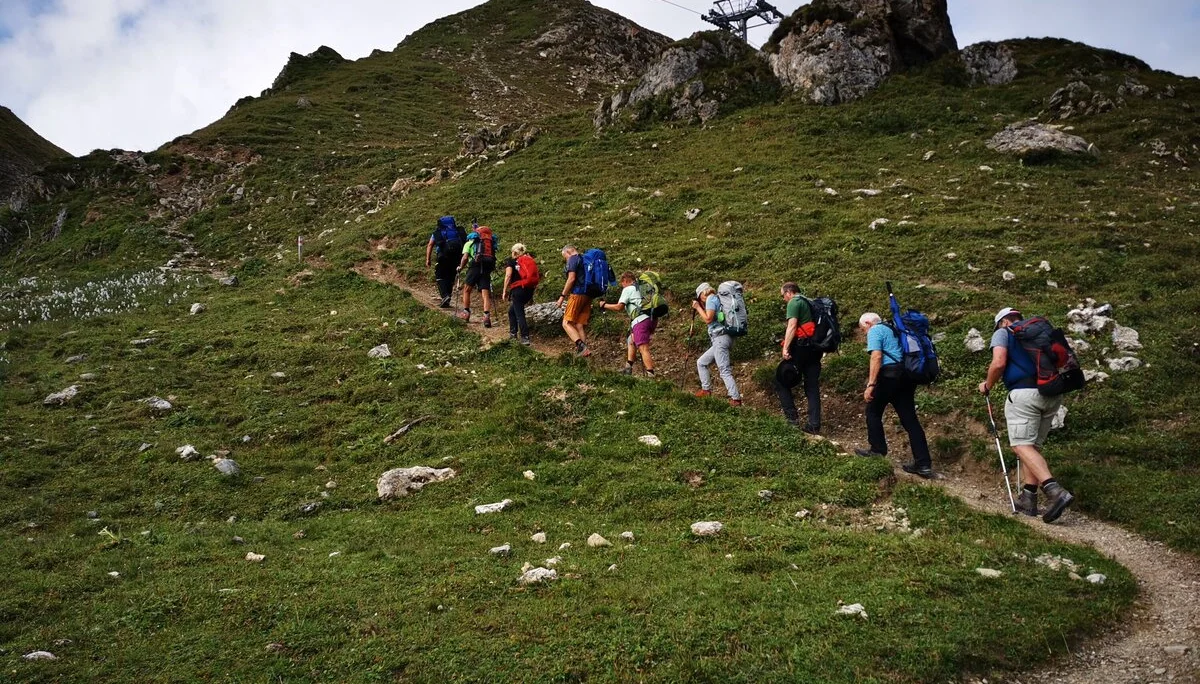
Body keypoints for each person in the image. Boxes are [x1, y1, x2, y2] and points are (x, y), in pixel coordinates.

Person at [979, 307, 1075, 523]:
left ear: (1003, 321)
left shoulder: (1004, 332)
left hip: (1024, 394)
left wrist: (987, 384)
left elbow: (999, 362)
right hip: (1051, 394)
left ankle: (1055, 491)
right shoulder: (1037, 334)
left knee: (1020, 445)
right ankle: (1028, 498)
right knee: (1031, 446)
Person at [857, 312, 934, 479]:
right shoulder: (895, 329)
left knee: (873, 411)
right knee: (910, 420)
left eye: (863, 329)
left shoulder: (876, 330)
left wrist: (871, 384)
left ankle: (877, 450)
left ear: (869, 323)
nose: (865, 333)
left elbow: (876, 357)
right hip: (907, 377)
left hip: (889, 376)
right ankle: (923, 464)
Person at [775, 282, 822, 434]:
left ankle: (792, 419)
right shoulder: (808, 301)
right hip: (815, 348)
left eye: (783, 296)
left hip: (801, 347)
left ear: (789, 292)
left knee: (781, 380)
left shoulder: (794, 302)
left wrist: (785, 347)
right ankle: (814, 424)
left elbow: (792, 326)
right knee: (812, 386)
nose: (784, 299)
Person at [692, 282, 742, 407]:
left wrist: (698, 308)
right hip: (725, 338)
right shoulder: (718, 299)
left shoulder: (710, 298)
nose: (701, 301)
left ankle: (736, 399)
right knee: (701, 362)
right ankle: (706, 390)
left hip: (720, 338)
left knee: (724, 370)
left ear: (703, 293)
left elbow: (708, 319)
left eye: (700, 298)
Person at [600, 272, 656, 377]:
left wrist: (605, 305)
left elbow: (619, 307)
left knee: (643, 348)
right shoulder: (642, 288)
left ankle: (651, 375)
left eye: (622, 284)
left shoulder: (628, 289)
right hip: (652, 319)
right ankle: (628, 368)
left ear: (625, 281)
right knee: (631, 340)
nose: (622, 286)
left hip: (640, 320)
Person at [554, 245, 592, 357]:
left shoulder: (573, 259)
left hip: (577, 293)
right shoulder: (585, 259)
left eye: (565, 256)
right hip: (588, 295)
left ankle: (581, 347)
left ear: (569, 251)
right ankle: (585, 354)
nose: (566, 259)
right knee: (579, 324)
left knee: (566, 323)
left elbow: (571, 278)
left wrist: (562, 296)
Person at [457, 225, 497, 327]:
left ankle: (466, 313)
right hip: (486, 268)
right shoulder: (490, 244)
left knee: (467, 290)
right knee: (485, 292)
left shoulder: (470, 243)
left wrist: (460, 267)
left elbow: (465, 257)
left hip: (474, 267)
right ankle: (486, 316)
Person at [425, 216, 464, 308]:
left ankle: (445, 296)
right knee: (451, 277)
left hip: (443, 257)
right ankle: (448, 297)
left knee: (440, 276)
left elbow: (430, 245)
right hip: (457, 257)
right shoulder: (458, 232)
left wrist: (428, 259)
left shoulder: (438, 232)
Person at [501, 243, 536, 346]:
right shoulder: (528, 260)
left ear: (515, 252)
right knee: (512, 311)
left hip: (517, 290)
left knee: (519, 313)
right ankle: (513, 333)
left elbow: (508, 275)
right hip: (529, 290)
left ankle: (525, 337)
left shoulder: (511, 262)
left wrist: (504, 290)